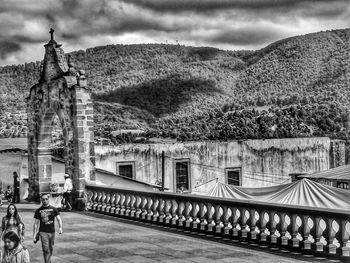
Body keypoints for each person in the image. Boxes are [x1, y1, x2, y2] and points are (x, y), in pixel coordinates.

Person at [33, 193, 63, 263]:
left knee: (50, 249)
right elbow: (36, 224)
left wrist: (60, 227)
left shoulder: (53, 209)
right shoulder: (38, 211)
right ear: (41, 200)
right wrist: (34, 235)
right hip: (43, 232)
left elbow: (59, 219)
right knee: (46, 249)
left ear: (48, 199)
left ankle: (48, 261)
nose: (45, 200)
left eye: (46, 199)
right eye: (43, 199)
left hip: (52, 232)